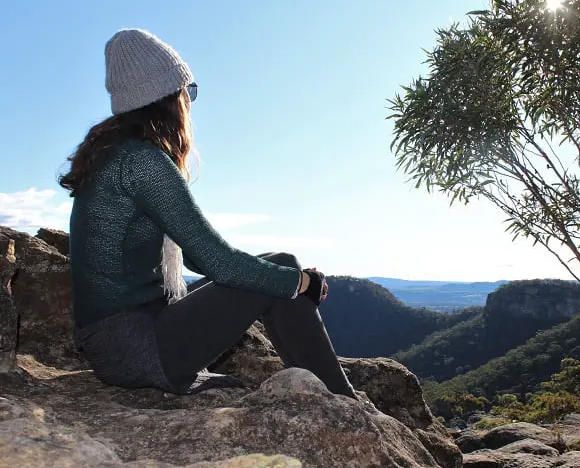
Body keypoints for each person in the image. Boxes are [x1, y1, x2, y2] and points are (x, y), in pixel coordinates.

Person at [59, 28, 357, 397]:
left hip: (118, 339)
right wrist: (301, 284)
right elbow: (216, 262)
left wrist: (288, 278)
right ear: (170, 98)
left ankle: (337, 396)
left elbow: (205, 263)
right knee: (285, 275)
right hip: (132, 347)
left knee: (282, 265)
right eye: (189, 91)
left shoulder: (115, 153)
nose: (190, 101)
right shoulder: (142, 162)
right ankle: (344, 402)